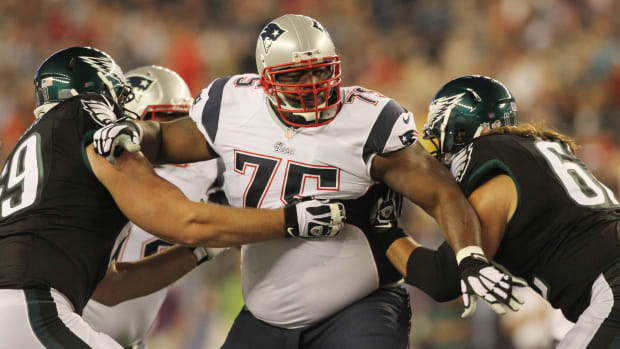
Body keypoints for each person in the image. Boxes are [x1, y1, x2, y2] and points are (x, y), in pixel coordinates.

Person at [93, 15, 525, 348]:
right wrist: (137, 135)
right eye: (296, 76)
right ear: (265, 81)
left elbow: (440, 192)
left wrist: (469, 255)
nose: (313, 85)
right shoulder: (231, 105)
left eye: (321, 71)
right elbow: (169, 140)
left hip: (358, 307)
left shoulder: (368, 120)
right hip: (263, 314)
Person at [0, 46, 345, 348]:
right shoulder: (87, 116)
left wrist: (200, 250)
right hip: (36, 311)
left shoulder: (40, 153)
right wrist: (289, 219)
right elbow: (184, 220)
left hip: (29, 310)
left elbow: (110, 286)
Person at [386, 75, 620, 348]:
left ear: (460, 128)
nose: (433, 138)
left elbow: (443, 277)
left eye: (438, 127)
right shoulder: (536, 150)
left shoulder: (493, 178)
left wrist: (381, 234)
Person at [82, 65, 227, 348]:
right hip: (70, 326)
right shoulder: (96, 171)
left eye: (178, 123)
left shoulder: (205, 173)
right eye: (158, 123)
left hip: (131, 339)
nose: (168, 135)